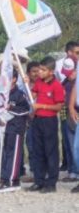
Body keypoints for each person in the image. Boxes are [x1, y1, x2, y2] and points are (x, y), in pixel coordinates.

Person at [29, 56, 64, 193]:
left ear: (51, 71)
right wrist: (29, 87)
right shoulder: (38, 81)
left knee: (50, 151)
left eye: (43, 70)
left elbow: (59, 106)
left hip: (49, 121)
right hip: (37, 119)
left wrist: (42, 105)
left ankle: (51, 182)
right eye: (39, 70)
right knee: (38, 151)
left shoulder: (57, 85)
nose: (39, 73)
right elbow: (33, 95)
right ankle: (39, 181)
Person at [0, 71, 30, 193]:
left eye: (8, 79)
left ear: (14, 79)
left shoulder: (19, 94)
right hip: (4, 129)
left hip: (16, 128)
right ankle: (7, 178)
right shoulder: (1, 94)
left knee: (14, 154)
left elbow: (26, 110)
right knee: (6, 154)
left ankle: (11, 180)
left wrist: (11, 108)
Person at [59, 59, 78, 180]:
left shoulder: (77, 83)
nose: (68, 75)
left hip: (75, 113)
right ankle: (72, 169)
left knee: (74, 145)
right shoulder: (65, 82)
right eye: (66, 73)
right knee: (67, 142)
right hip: (64, 113)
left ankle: (75, 171)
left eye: (70, 73)